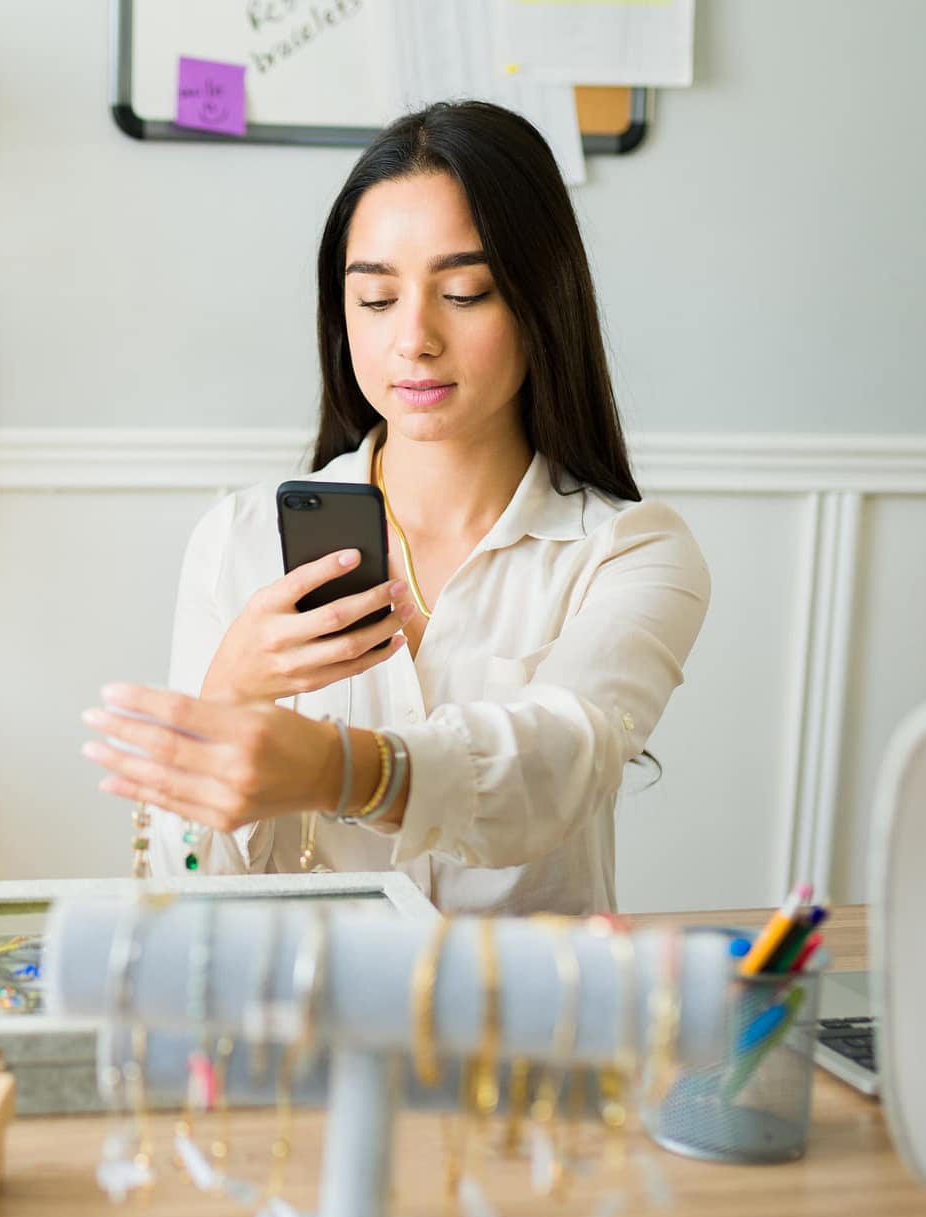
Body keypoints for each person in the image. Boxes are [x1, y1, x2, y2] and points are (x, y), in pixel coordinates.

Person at [81, 101, 711, 915]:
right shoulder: (238, 542)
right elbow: (182, 885)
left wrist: (344, 767)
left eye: (465, 292)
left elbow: (561, 763)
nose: (413, 337)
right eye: (376, 299)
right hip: (296, 1024)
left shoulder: (628, 551)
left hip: (517, 1027)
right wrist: (230, 694)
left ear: (540, 302)